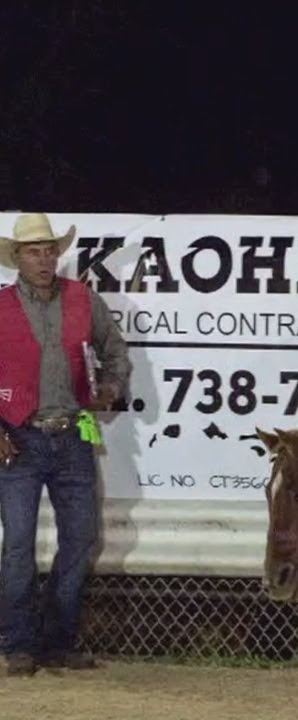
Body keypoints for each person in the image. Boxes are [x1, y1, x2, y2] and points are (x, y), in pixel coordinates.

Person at [0, 213, 131, 676]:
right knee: (17, 544)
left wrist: (110, 389)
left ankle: (56, 641)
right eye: (34, 251)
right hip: (17, 437)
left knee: (79, 539)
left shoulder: (82, 299)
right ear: (17, 258)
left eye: (49, 250)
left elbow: (114, 350)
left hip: (74, 432)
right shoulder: (0, 307)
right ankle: (18, 642)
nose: (43, 259)